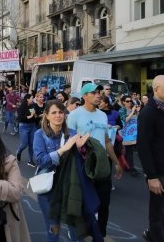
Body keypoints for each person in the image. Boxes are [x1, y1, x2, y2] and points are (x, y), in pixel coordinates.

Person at [67, 83, 123, 238]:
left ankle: (100, 235)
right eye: (94, 92)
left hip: (103, 166)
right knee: (86, 204)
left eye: (99, 92)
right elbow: (68, 142)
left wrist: (117, 163)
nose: (99, 95)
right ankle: (81, 231)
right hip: (84, 165)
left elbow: (106, 142)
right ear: (85, 96)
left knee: (104, 204)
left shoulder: (102, 115)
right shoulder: (74, 115)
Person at [33, 100, 85, 242]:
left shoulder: (73, 133)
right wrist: (62, 150)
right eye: (54, 112)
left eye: (61, 112)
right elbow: (40, 160)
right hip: (48, 191)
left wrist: (82, 150)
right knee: (53, 228)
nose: (58, 115)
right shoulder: (40, 134)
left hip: (70, 189)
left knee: (75, 229)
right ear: (47, 115)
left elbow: (81, 163)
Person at [137, 75, 164, 242]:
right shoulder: (148, 113)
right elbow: (143, 147)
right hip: (161, 174)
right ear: (156, 90)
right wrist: (152, 177)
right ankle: (156, 236)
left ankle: (153, 234)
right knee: (157, 214)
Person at [119, 95, 140, 176]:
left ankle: (126, 166)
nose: (129, 103)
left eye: (130, 101)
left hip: (134, 134)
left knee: (128, 152)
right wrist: (132, 112)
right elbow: (125, 120)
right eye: (127, 101)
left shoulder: (133, 109)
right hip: (126, 134)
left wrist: (137, 111)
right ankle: (132, 169)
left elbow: (138, 118)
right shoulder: (122, 110)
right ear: (123, 102)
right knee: (129, 152)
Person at [16, 94, 38, 167]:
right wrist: (31, 116)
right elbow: (20, 118)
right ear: (27, 99)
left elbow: (35, 117)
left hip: (32, 126)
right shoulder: (21, 107)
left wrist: (35, 115)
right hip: (23, 126)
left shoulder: (33, 106)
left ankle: (30, 160)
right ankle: (19, 151)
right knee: (24, 144)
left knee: (32, 144)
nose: (33, 99)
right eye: (32, 98)